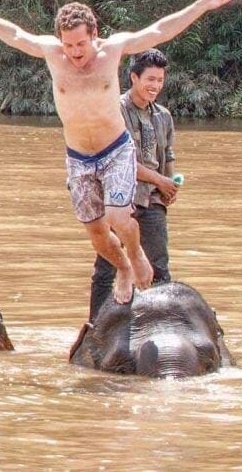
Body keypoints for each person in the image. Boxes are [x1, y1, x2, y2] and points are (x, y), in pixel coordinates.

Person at [0, 0, 235, 304]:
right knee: (97, 234)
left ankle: (137, 253)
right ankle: (124, 268)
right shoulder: (52, 53)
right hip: (78, 157)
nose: (75, 53)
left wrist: (201, 4)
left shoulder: (112, 50)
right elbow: (14, 35)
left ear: (94, 34)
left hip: (115, 151)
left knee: (117, 216)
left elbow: (158, 31)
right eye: (69, 45)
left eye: (81, 44)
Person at [87, 48, 177, 320]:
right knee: (107, 266)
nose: (155, 86)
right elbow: (119, 162)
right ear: (134, 77)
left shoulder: (163, 116)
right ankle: (95, 327)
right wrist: (161, 180)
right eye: (150, 79)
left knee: (159, 268)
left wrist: (169, 185)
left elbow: (168, 155)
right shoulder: (115, 112)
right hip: (119, 200)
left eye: (160, 80)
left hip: (152, 200)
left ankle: (164, 325)